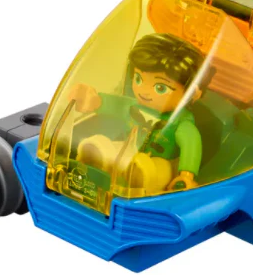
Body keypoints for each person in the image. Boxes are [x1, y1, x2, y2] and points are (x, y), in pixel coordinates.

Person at [68, 33, 205, 193]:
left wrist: (186, 175)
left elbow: (191, 146)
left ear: (192, 93)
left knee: (154, 171)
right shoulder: (134, 106)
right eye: (138, 79)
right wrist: (94, 100)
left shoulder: (181, 123)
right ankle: (94, 165)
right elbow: (116, 104)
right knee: (102, 144)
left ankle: (138, 178)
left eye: (160, 88)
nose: (144, 92)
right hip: (130, 149)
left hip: (162, 162)